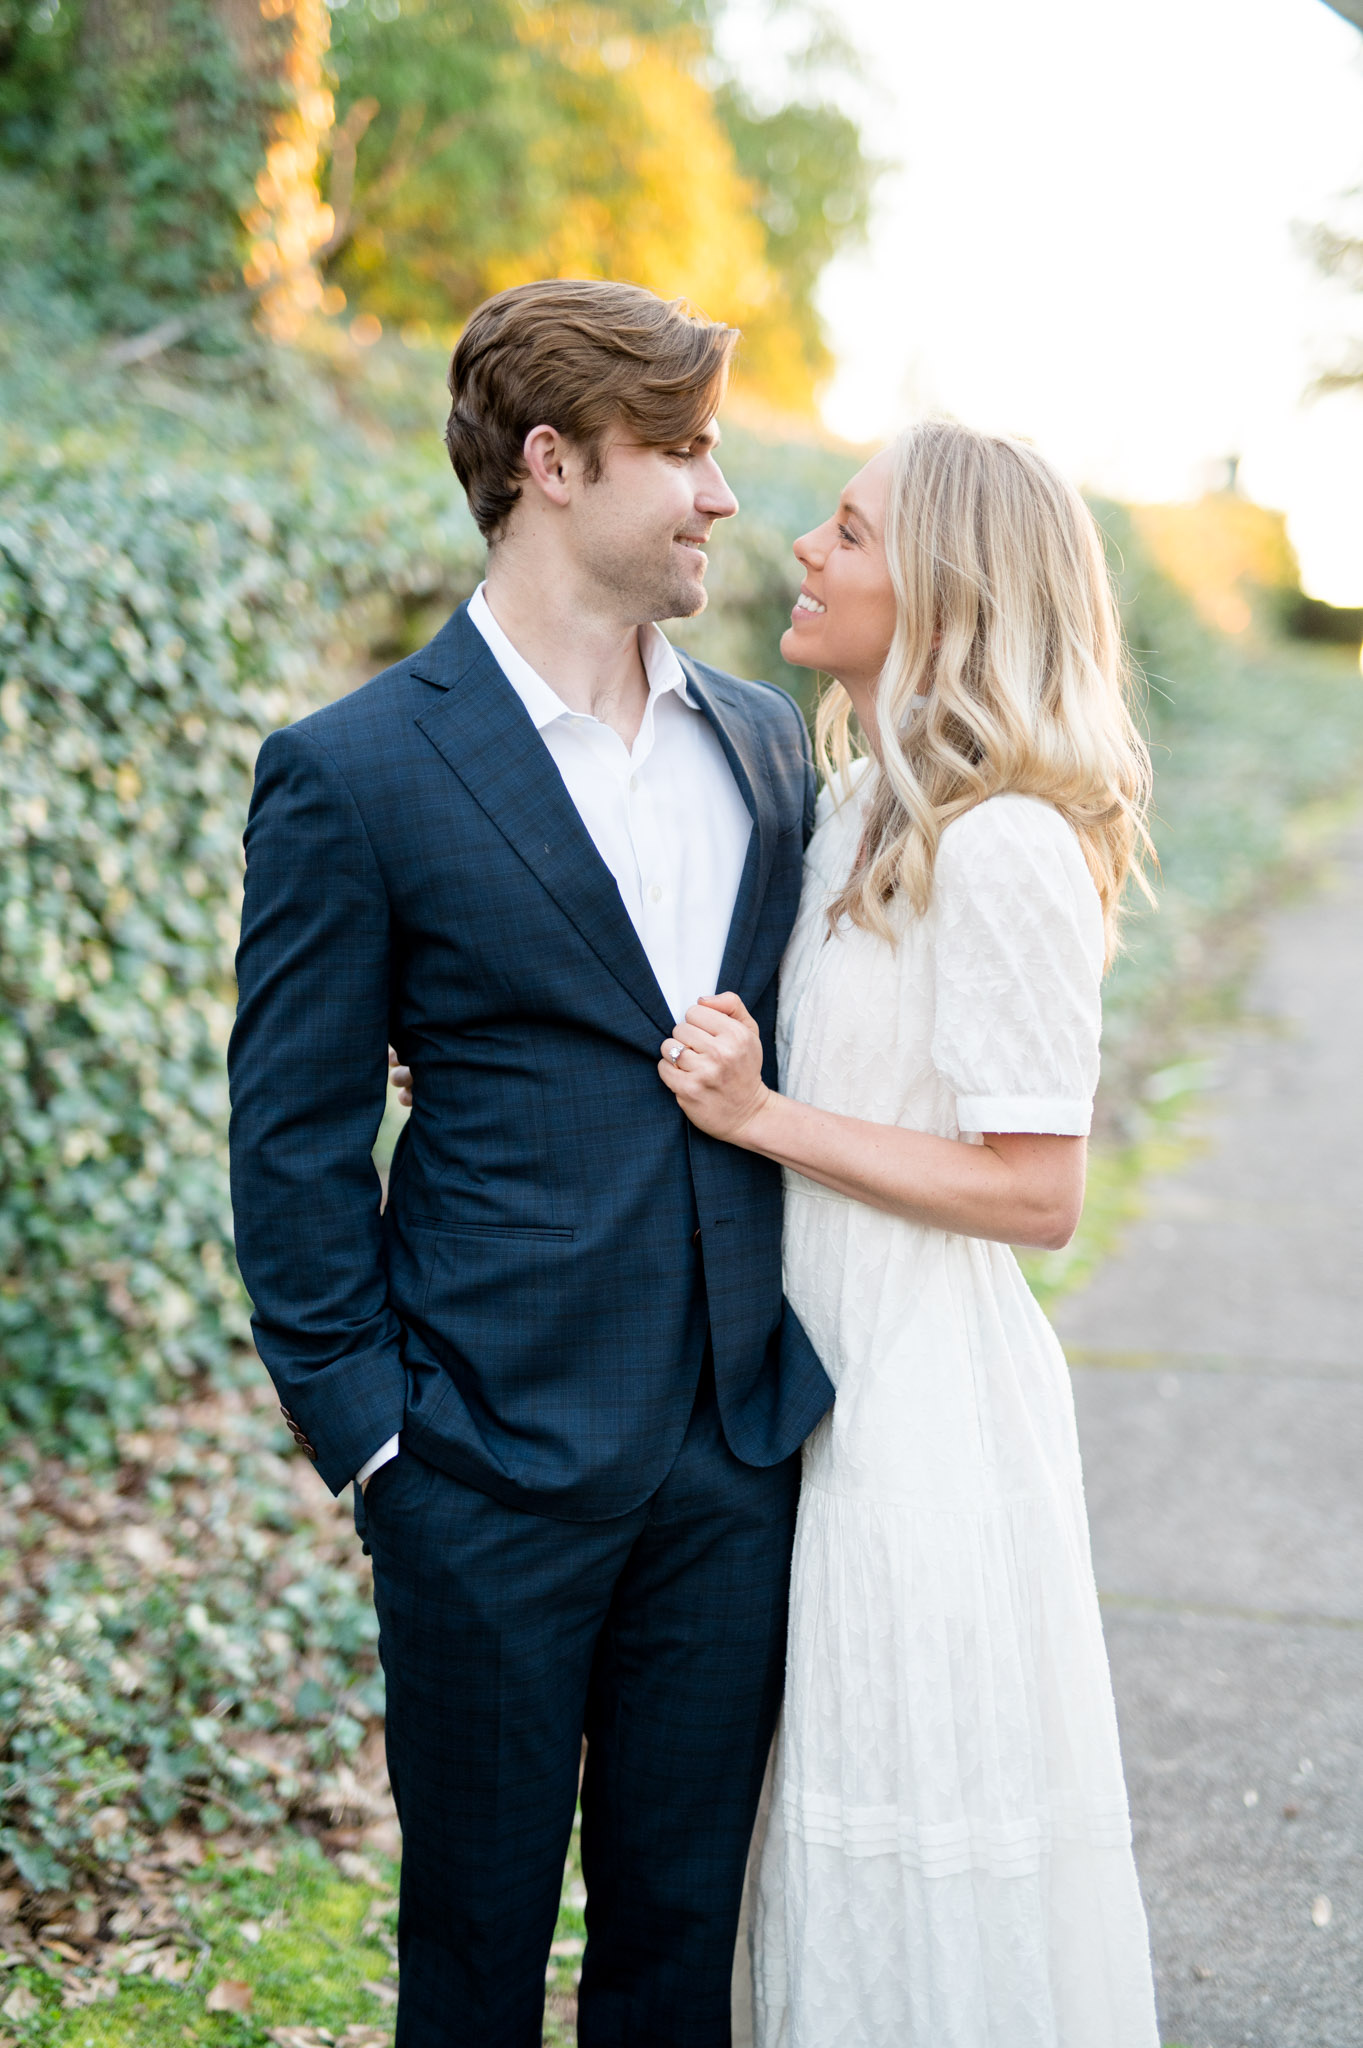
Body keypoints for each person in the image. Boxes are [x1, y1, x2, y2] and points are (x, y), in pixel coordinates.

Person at [227, 278, 833, 2048]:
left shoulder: (766, 749)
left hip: (733, 1466)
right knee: (473, 1962)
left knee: (679, 1956)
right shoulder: (353, 773)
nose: (722, 495)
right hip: (478, 1470)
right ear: (555, 464)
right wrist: (378, 1447)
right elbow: (292, 1139)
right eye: (687, 452)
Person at [656, 422, 1162, 2044]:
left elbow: (1039, 1192)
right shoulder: (856, 801)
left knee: (908, 1836)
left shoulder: (1003, 840)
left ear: (942, 588)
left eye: (851, 533)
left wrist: (764, 1121)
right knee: (810, 1839)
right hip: (810, 1385)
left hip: (923, 1410)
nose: (803, 548)